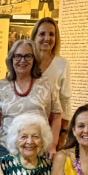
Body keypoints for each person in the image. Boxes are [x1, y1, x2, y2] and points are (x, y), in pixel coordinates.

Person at [0, 39, 62, 160]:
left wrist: (52, 145)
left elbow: (56, 116)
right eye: (18, 56)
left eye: (28, 56)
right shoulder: (1, 86)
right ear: (11, 59)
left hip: (37, 149)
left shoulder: (47, 84)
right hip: (6, 149)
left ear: (34, 59)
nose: (22, 60)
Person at [31, 18, 73, 147]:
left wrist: (62, 135)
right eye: (42, 34)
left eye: (51, 34)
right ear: (34, 37)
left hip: (51, 130)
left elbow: (65, 100)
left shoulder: (62, 64)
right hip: (26, 128)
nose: (47, 38)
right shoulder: (25, 61)